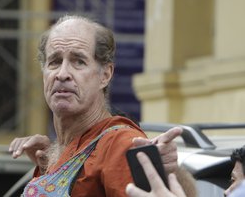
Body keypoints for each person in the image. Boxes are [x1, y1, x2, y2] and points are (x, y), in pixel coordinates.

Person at [9, 15, 182, 197]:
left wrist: (172, 171)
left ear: (105, 75)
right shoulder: (55, 151)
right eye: (55, 62)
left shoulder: (119, 145)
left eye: (78, 61)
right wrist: (48, 164)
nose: (62, 74)